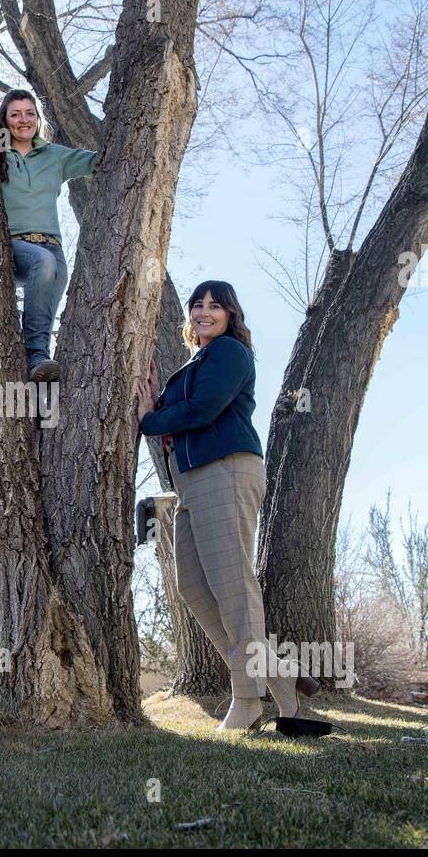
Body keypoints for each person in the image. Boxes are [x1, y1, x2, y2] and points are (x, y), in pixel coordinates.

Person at [136, 281, 319, 731]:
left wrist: (150, 418)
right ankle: (280, 675)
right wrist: (159, 401)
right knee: (196, 590)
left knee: (234, 587)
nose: (203, 311)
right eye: (197, 305)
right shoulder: (198, 361)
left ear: (231, 314)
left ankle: (248, 701)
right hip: (191, 484)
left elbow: (203, 411)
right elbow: (185, 410)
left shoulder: (230, 353)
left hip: (226, 471)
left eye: (215, 305)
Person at [0, 89, 97, 382]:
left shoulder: (53, 155)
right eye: (15, 114)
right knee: (43, 262)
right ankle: (35, 354)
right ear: (4, 120)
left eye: (29, 113)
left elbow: (96, 162)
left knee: (53, 284)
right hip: (14, 246)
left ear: (38, 119)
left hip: (53, 247)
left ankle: (39, 374)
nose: (23, 120)